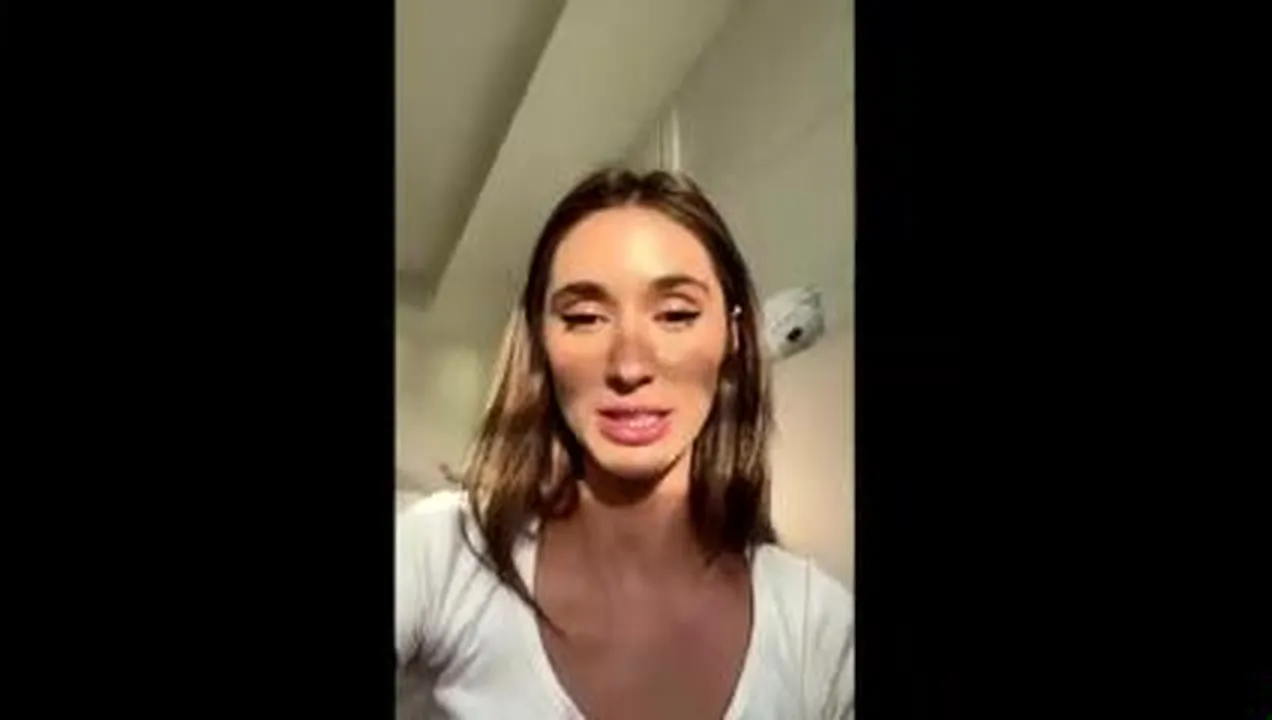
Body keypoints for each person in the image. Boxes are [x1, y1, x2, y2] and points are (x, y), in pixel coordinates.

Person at [396, 168, 854, 719]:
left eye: (676, 315)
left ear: (731, 337)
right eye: (585, 318)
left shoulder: (817, 628)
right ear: (541, 341)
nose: (629, 366)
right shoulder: (443, 553)